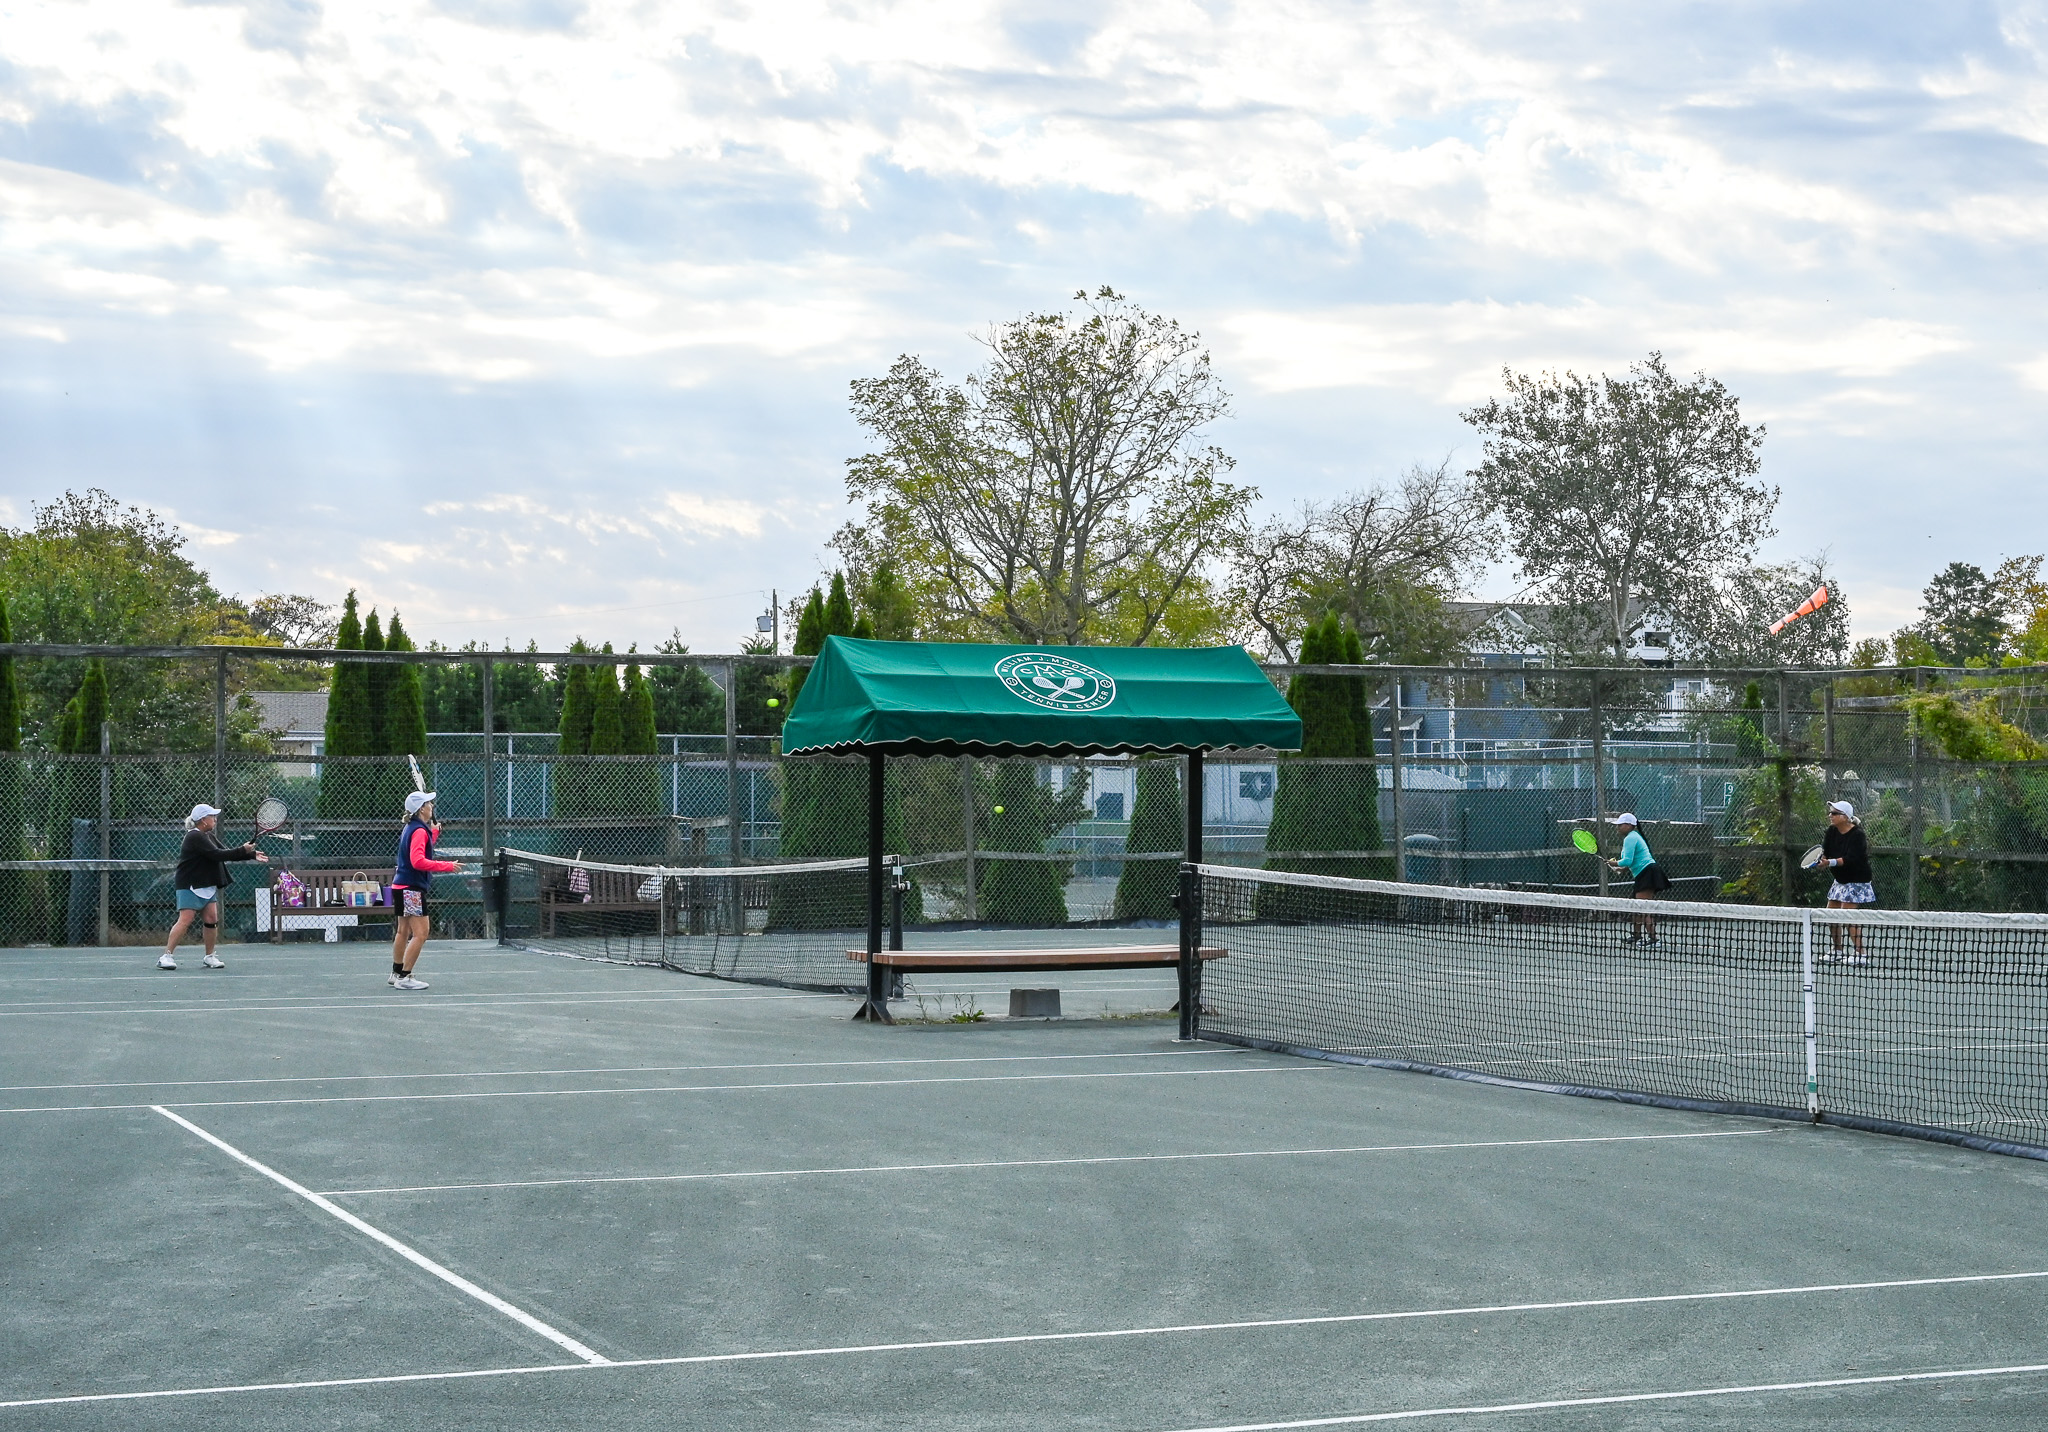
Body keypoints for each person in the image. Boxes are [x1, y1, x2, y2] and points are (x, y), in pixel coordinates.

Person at [160, 804, 267, 970]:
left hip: (206, 884)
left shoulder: (207, 835)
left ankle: (209, 956)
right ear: (203, 820)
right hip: (190, 884)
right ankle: (166, 956)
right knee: (185, 920)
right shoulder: (194, 837)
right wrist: (242, 849)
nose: (215, 819)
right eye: (212, 816)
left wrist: (250, 854)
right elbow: (217, 855)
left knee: (211, 920)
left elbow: (224, 853)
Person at [388, 789, 461, 990]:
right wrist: (447, 866)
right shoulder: (419, 831)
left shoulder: (412, 828)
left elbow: (421, 848)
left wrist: (433, 833)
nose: (432, 806)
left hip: (401, 885)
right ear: (421, 809)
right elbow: (418, 861)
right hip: (411, 888)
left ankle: (396, 973)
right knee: (421, 933)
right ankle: (405, 977)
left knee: (403, 931)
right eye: (429, 804)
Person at [1819, 799, 1873, 965]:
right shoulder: (1831, 831)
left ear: (1845, 817)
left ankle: (1860, 954)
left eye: (1834, 813)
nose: (1831, 816)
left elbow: (1851, 859)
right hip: (1840, 880)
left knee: (1847, 916)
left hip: (1857, 879)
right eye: (1830, 813)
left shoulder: (1857, 835)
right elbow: (1825, 851)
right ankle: (1837, 950)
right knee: (1831, 915)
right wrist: (1822, 859)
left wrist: (1830, 863)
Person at [1609, 812, 1671, 946]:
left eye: (1620, 825)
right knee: (1636, 907)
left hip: (1648, 873)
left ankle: (1654, 939)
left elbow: (1627, 860)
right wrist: (1622, 869)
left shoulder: (1630, 838)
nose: (1618, 827)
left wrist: (1613, 863)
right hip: (1643, 873)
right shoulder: (1633, 836)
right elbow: (1633, 861)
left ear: (1629, 825)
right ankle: (1637, 936)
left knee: (1643, 908)